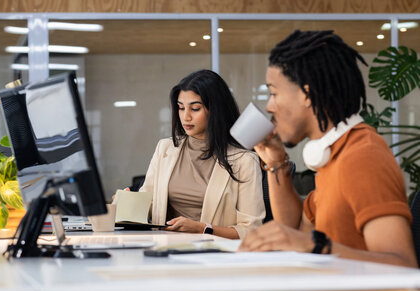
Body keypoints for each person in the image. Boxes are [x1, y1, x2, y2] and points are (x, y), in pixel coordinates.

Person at [239, 30, 417, 268]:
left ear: (307, 94)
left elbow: (402, 265)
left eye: (274, 93)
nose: (270, 106)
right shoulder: (332, 154)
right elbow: (292, 231)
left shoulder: (363, 157)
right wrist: (275, 161)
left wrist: (317, 246)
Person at [138, 69, 265, 239]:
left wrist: (202, 229)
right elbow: (148, 202)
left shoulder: (244, 160)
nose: (185, 117)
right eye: (181, 108)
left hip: (214, 254)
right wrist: (127, 204)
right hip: (166, 248)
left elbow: (251, 230)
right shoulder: (165, 148)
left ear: (216, 110)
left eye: (195, 109)